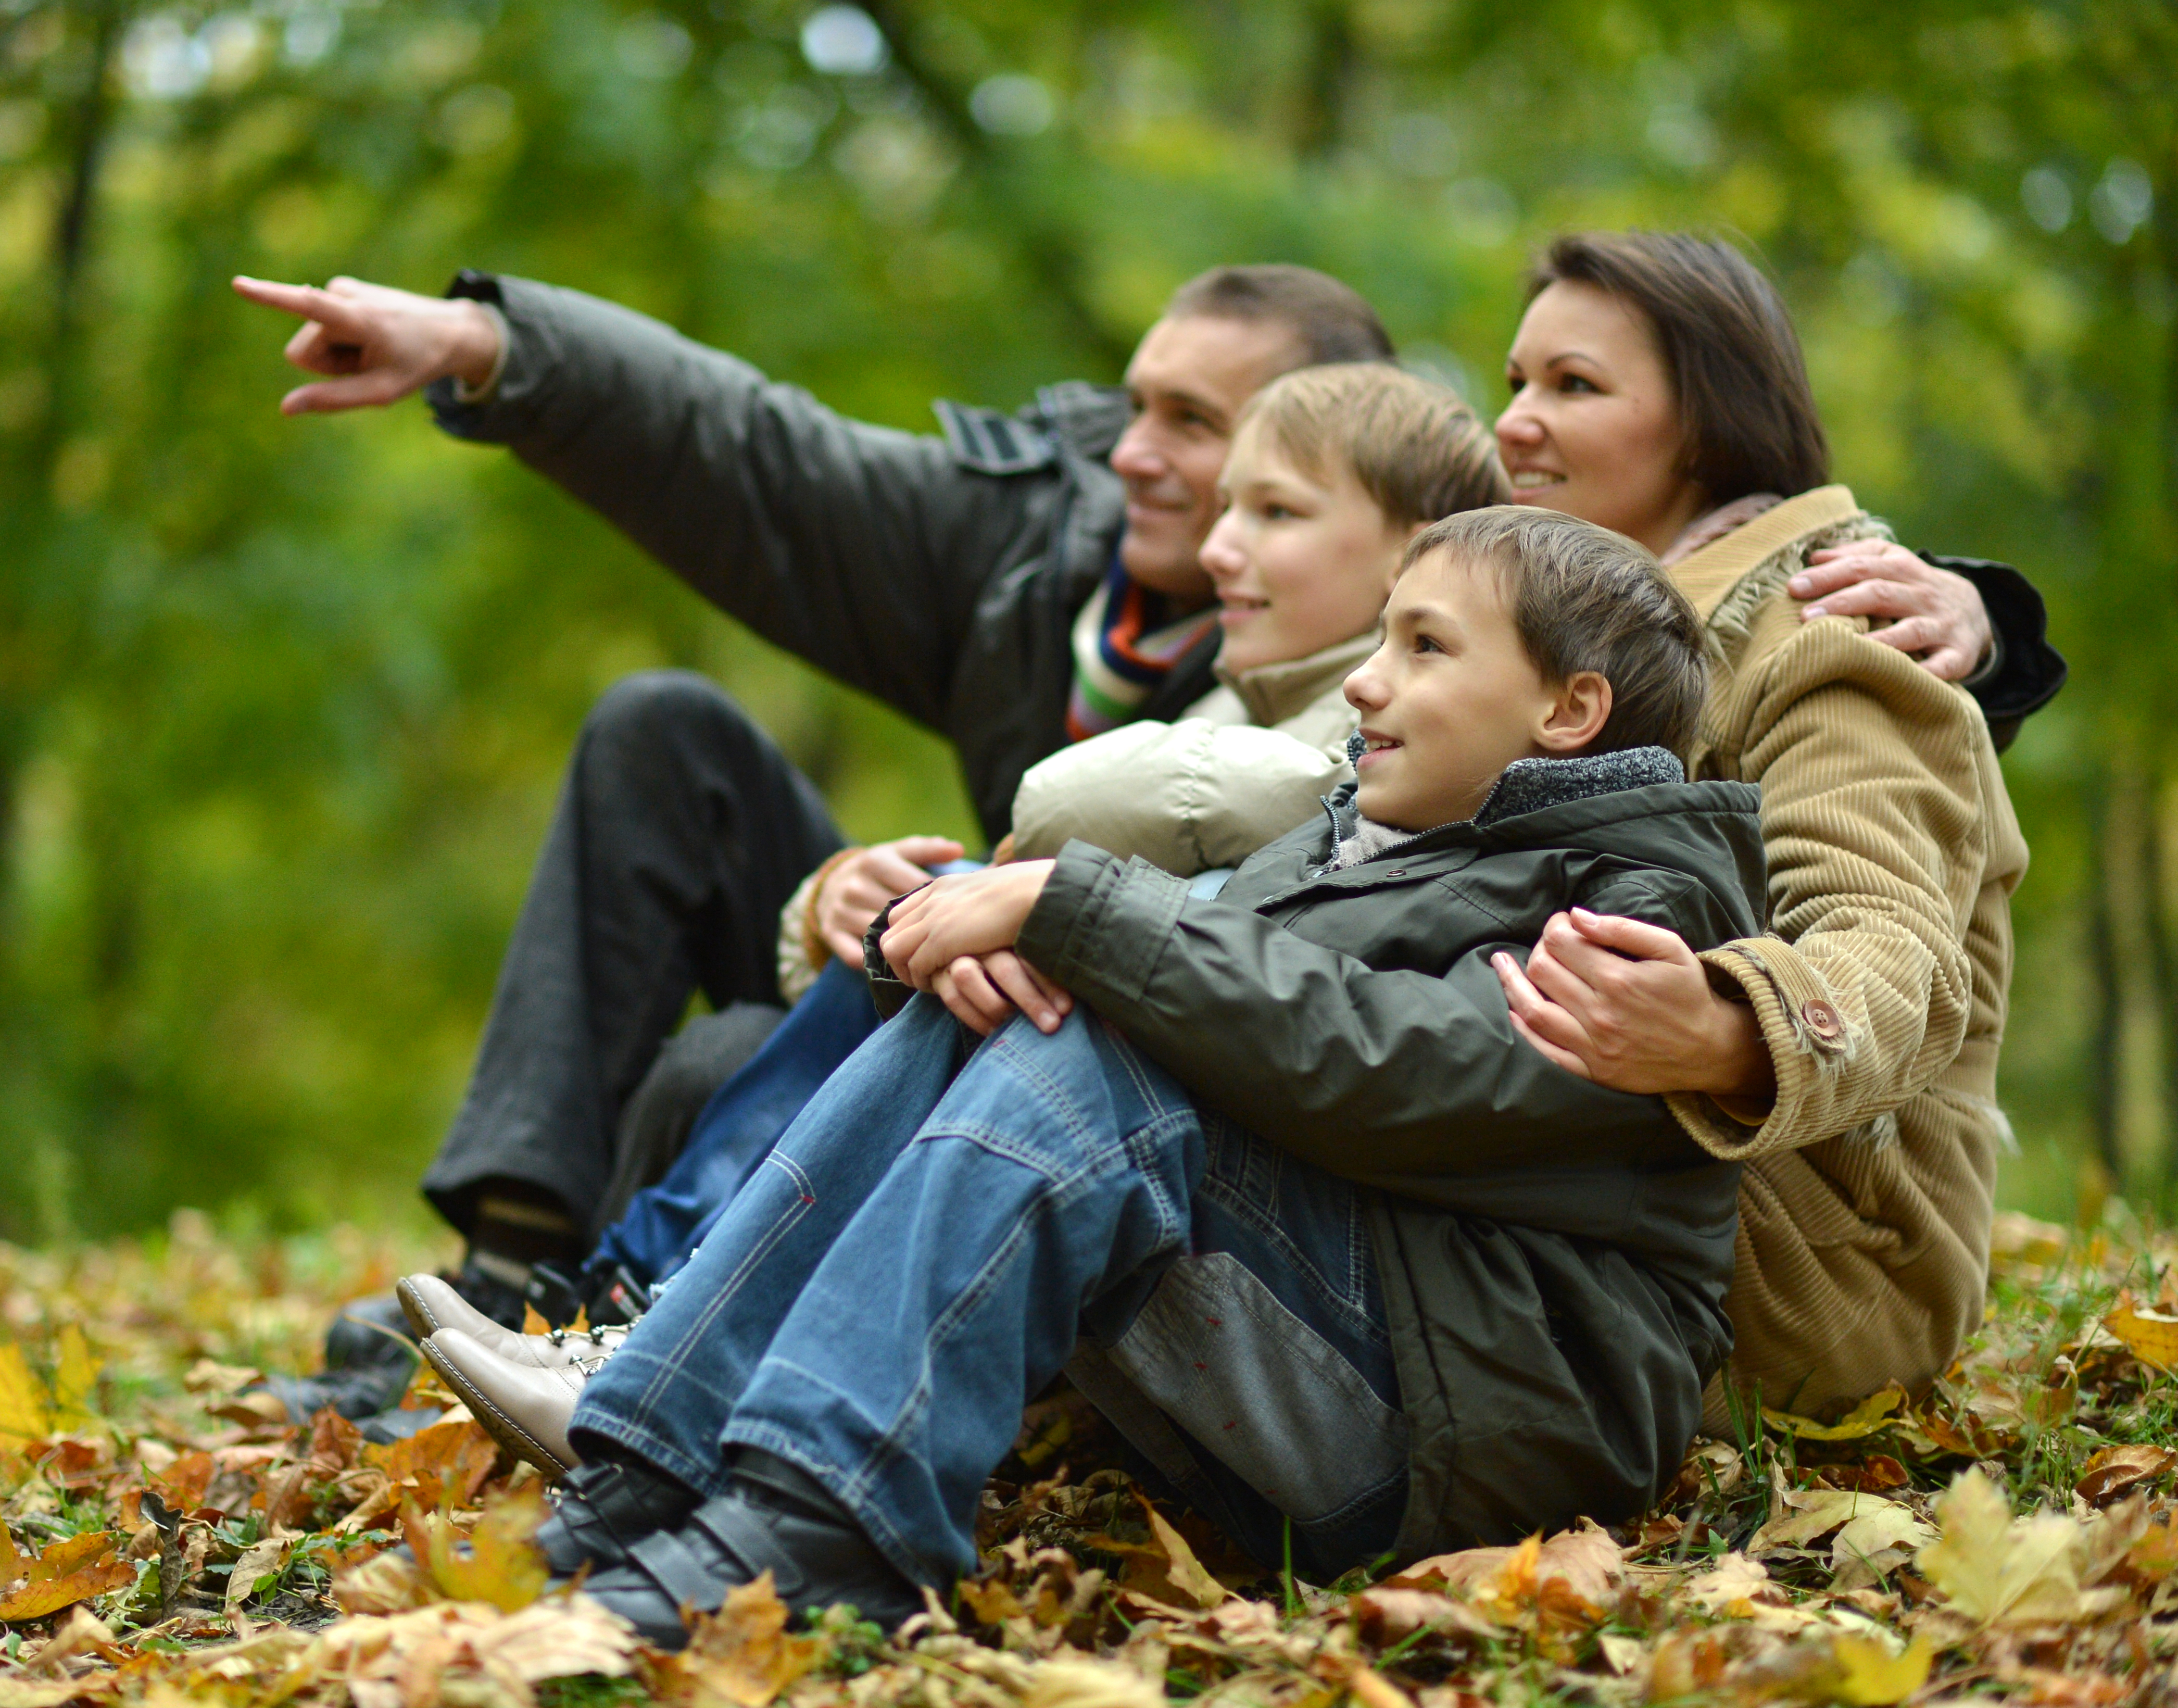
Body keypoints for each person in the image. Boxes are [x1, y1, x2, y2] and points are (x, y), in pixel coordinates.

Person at [228, 255, 2047, 1418]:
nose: (1153, 466)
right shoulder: (1041, 537)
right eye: (1144, 416)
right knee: (710, 838)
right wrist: (494, 345)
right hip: (1182, 1010)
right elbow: (755, 457)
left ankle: (700, 1359)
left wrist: (1976, 616)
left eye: (1239, 450)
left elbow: (1856, 868)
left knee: (991, 1029)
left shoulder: (1588, 632)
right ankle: (578, 1311)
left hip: (1595, 1177)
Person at [412, 505, 1765, 1643]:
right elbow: (1204, 985)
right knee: (1032, 990)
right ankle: (658, 1448)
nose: (1364, 683)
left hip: (1470, 1420)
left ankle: (822, 1526)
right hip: (1351, 1340)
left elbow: (1397, 1075)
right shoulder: (1372, 836)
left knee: (1096, 1008)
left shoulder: (1642, 905)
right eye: (1378, 641)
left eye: (1423, 648)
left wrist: (1078, 915)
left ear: (1570, 709)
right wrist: (966, 948)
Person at [420, 360, 1515, 1465]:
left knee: (928, 942)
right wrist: (842, 909)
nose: (1220, 546)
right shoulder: (1241, 691)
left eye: (1271, 510)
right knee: (891, 937)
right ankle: (629, 1313)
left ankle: (645, 1320)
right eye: (1227, 504)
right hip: (1129, 1087)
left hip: (1194, 1158)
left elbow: (1102, 816)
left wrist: (1005, 883)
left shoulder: (1375, 728)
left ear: (1418, 545)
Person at [1461, 231, 2041, 1426]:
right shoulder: (1567, 624)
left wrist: (1730, 1029)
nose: (1514, 419)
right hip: (1625, 1172)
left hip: (1821, 1261)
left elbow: (1892, 951)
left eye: (1573, 384)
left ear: (1708, 420)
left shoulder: (1833, 628)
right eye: (1514, 380)